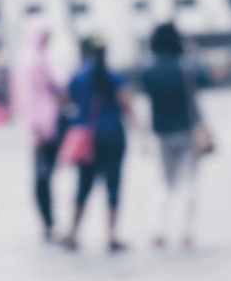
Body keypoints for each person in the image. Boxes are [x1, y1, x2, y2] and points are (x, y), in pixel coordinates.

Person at [60, 37, 137, 252]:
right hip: (113, 135)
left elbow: (65, 101)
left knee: (83, 186)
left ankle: (73, 233)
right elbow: (127, 105)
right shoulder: (115, 77)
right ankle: (111, 236)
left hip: (88, 138)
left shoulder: (78, 77)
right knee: (113, 185)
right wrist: (142, 134)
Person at [140, 22, 210, 249]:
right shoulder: (187, 66)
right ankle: (186, 232)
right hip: (188, 129)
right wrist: (191, 52)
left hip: (162, 131)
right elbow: (206, 78)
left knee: (164, 182)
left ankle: (157, 230)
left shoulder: (149, 70)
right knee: (190, 181)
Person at [10, 19, 65, 241]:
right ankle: (48, 223)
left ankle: (53, 221)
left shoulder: (45, 59)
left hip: (54, 124)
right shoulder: (29, 62)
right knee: (43, 177)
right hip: (41, 129)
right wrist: (34, 129)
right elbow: (25, 99)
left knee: (49, 175)